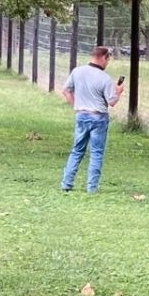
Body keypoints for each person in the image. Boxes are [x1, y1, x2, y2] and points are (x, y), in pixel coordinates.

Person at [60, 46, 121, 193]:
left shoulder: (77, 71)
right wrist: (118, 91)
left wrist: (77, 106)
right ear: (104, 57)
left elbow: (66, 91)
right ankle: (91, 187)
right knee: (96, 152)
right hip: (99, 117)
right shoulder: (105, 78)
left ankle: (66, 184)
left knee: (76, 150)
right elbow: (111, 101)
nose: (108, 63)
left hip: (81, 115)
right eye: (108, 60)